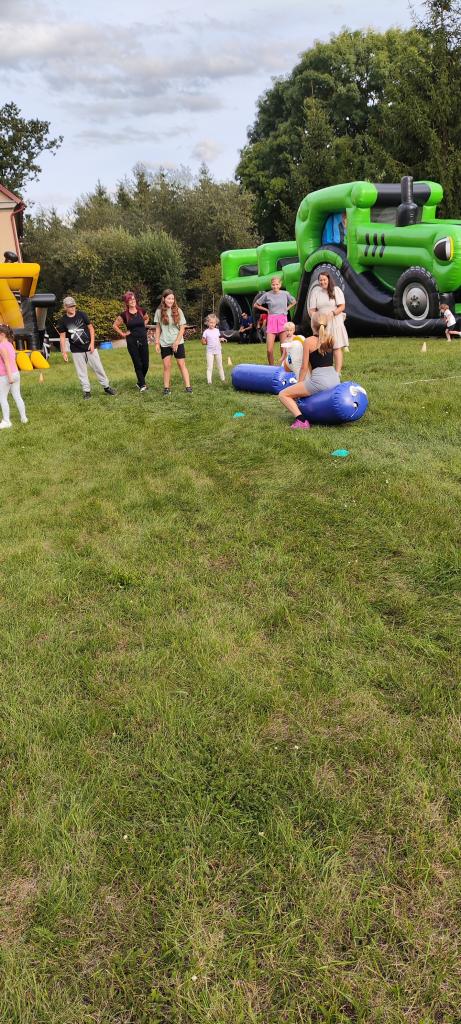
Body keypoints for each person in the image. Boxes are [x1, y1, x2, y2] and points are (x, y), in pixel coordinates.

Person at [278, 317, 340, 429]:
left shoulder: (308, 341)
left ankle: (301, 421)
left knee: (283, 394)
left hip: (319, 381)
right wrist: (337, 372)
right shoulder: (331, 338)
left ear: (312, 326)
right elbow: (338, 358)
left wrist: (298, 384)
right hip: (335, 380)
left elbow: (304, 367)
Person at [57, 297, 116, 400]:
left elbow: (91, 329)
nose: (72, 308)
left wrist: (92, 344)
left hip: (89, 347)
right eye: (70, 306)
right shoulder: (63, 320)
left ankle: (106, 387)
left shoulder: (82, 315)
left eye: (73, 306)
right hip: (76, 350)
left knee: (98, 368)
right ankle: (87, 391)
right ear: (65, 307)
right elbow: (62, 337)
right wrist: (64, 352)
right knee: (81, 371)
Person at [154, 289, 192, 396]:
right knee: (167, 366)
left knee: (181, 364)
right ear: (164, 299)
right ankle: (166, 388)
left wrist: (176, 342)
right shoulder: (159, 312)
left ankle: (188, 387)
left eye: (172, 298)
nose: (171, 300)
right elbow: (158, 328)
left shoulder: (178, 310)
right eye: (168, 298)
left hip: (178, 342)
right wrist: (157, 343)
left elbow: (182, 328)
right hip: (164, 343)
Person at [308, 271, 349, 372]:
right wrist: (317, 319)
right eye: (320, 280)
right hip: (322, 323)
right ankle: (325, 370)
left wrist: (333, 313)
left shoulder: (336, 290)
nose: (322, 282)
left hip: (335, 321)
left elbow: (342, 306)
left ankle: (337, 372)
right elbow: (312, 310)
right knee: (323, 347)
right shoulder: (315, 293)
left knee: (336, 347)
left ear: (329, 280)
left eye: (324, 280)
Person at [254, 276, 296, 365]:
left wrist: (286, 309)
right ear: (271, 285)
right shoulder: (267, 294)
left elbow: (294, 302)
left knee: (283, 348)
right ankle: (271, 368)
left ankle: (284, 366)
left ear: (280, 284)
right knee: (269, 350)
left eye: (277, 284)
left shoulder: (285, 294)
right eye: (273, 285)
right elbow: (256, 305)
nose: (275, 286)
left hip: (282, 320)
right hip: (272, 321)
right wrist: (266, 310)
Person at [113, 291, 150, 391]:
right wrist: (123, 334)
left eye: (133, 299)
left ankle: (139, 382)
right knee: (137, 363)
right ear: (127, 302)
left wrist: (143, 326)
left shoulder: (141, 311)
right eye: (130, 300)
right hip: (132, 341)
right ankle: (143, 385)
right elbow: (115, 326)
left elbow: (147, 318)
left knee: (145, 363)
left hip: (143, 339)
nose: (133, 301)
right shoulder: (124, 315)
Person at [0, 324, 28, 428]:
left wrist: (10, 377)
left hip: (6, 375)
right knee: (17, 396)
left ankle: (6, 421)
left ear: (2, 335)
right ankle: (24, 418)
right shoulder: (10, 344)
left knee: (2, 398)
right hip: (15, 373)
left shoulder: (1, 346)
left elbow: (6, 362)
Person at [202, 313, 226, 384]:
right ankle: (209, 381)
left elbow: (217, 338)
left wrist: (221, 339)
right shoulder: (206, 332)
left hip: (218, 351)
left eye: (214, 323)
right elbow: (203, 341)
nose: (212, 324)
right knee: (210, 367)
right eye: (211, 322)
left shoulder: (217, 330)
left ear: (216, 323)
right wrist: (204, 341)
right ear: (207, 323)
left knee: (220, 366)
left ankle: (223, 379)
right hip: (210, 352)